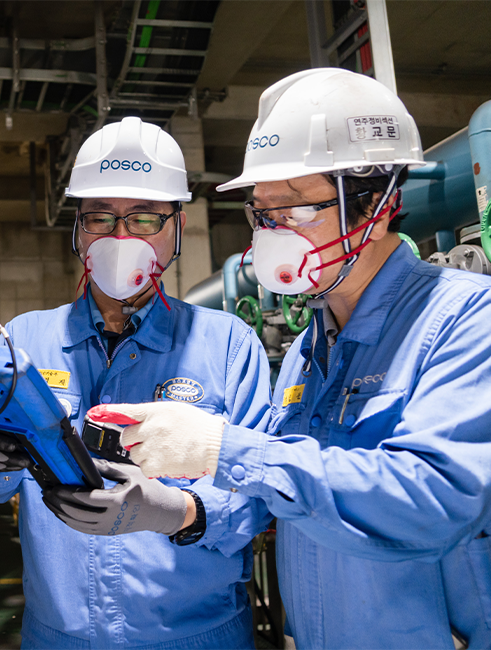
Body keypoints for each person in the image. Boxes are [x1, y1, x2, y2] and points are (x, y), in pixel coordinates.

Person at [72, 69, 491, 648]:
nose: (273, 234)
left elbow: (436, 498)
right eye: (262, 213)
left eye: (293, 209)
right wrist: (174, 501)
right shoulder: (305, 351)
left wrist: (222, 447)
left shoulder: (466, 320)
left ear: (378, 203)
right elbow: (277, 491)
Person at [0, 116, 274, 649]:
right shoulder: (26, 337)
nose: (121, 237)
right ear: (79, 229)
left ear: (175, 225)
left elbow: (261, 493)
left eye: (144, 218)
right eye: (101, 218)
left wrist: (181, 512)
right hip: (59, 634)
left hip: (197, 635)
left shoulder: (227, 345)